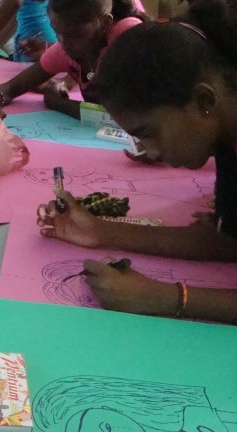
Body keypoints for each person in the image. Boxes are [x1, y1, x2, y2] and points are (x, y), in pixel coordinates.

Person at [35, 0, 237, 324]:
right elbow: (229, 242)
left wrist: (165, 297)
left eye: (150, 133)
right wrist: (99, 232)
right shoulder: (227, 134)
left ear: (203, 101)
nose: (150, 153)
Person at [0, 0, 147, 119]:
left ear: (105, 22)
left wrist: (57, 103)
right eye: (57, 33)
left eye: (74, 35)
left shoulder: (126, 34)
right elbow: (13, 87)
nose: (63, 43)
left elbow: (123, 114)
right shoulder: (68, 47)